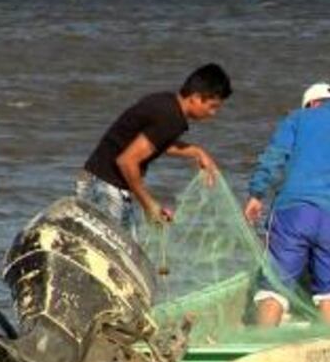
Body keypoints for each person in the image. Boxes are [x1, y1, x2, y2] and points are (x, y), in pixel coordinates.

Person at [244, 83, 330, 326]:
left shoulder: (300, 118)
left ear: (312, 103)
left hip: (295, 212)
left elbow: (275, 157)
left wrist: (256, 194)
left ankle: (262, 343)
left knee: (275, 286)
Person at [77, 63, 232, 235]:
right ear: (196, 97)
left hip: (99, 181)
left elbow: (159, 144)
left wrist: (198, 152)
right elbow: (127, 161)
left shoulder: (167, 104)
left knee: (127, 252)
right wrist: (149, 205)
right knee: (117, 253)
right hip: (104, 186)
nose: (213, 113)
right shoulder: (170, 119)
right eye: (212, 106)